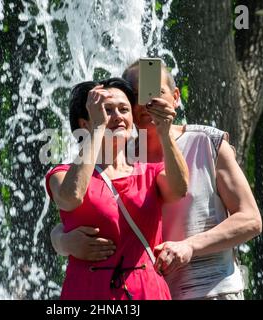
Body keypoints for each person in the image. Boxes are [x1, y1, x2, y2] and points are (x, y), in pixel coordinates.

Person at [50, 61, 262, 300]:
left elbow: (251, 219)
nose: (149, 104)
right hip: (151, 291)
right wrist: (62, 241)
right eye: (138, 96)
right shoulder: (119, 152)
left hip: (211, 288)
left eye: (156, 93)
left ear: (175, 97)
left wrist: (190, 246)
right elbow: (84, 211)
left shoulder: (206, 141)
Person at [45, 77, 189, 300]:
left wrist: (164, 131)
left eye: (124, 109)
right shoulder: (62, 173)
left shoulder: (150, 172)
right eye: (106, 110)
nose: (118, 116)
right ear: (85, 124)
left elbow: (180, 189)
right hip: (88, 293)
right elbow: (71, 198)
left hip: (147, 293)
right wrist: (98, 128)